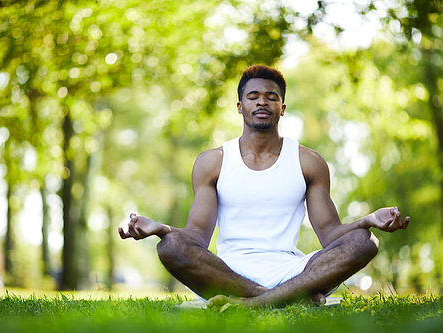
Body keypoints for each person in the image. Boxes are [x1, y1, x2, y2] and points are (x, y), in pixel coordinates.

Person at [118, 65, 410, 308]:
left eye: (271, 97)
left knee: (364, 242)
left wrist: (368, 220)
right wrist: (161, 229)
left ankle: (254, 303)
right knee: (170, 246)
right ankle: (277, 300)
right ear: (240, 106)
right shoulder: (213, 161)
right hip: (228, 273)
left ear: (282, 108)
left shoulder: (308, 161)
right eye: (253, 96)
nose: (262, 102)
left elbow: (330, 234)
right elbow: (196, 236)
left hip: (293, 272)